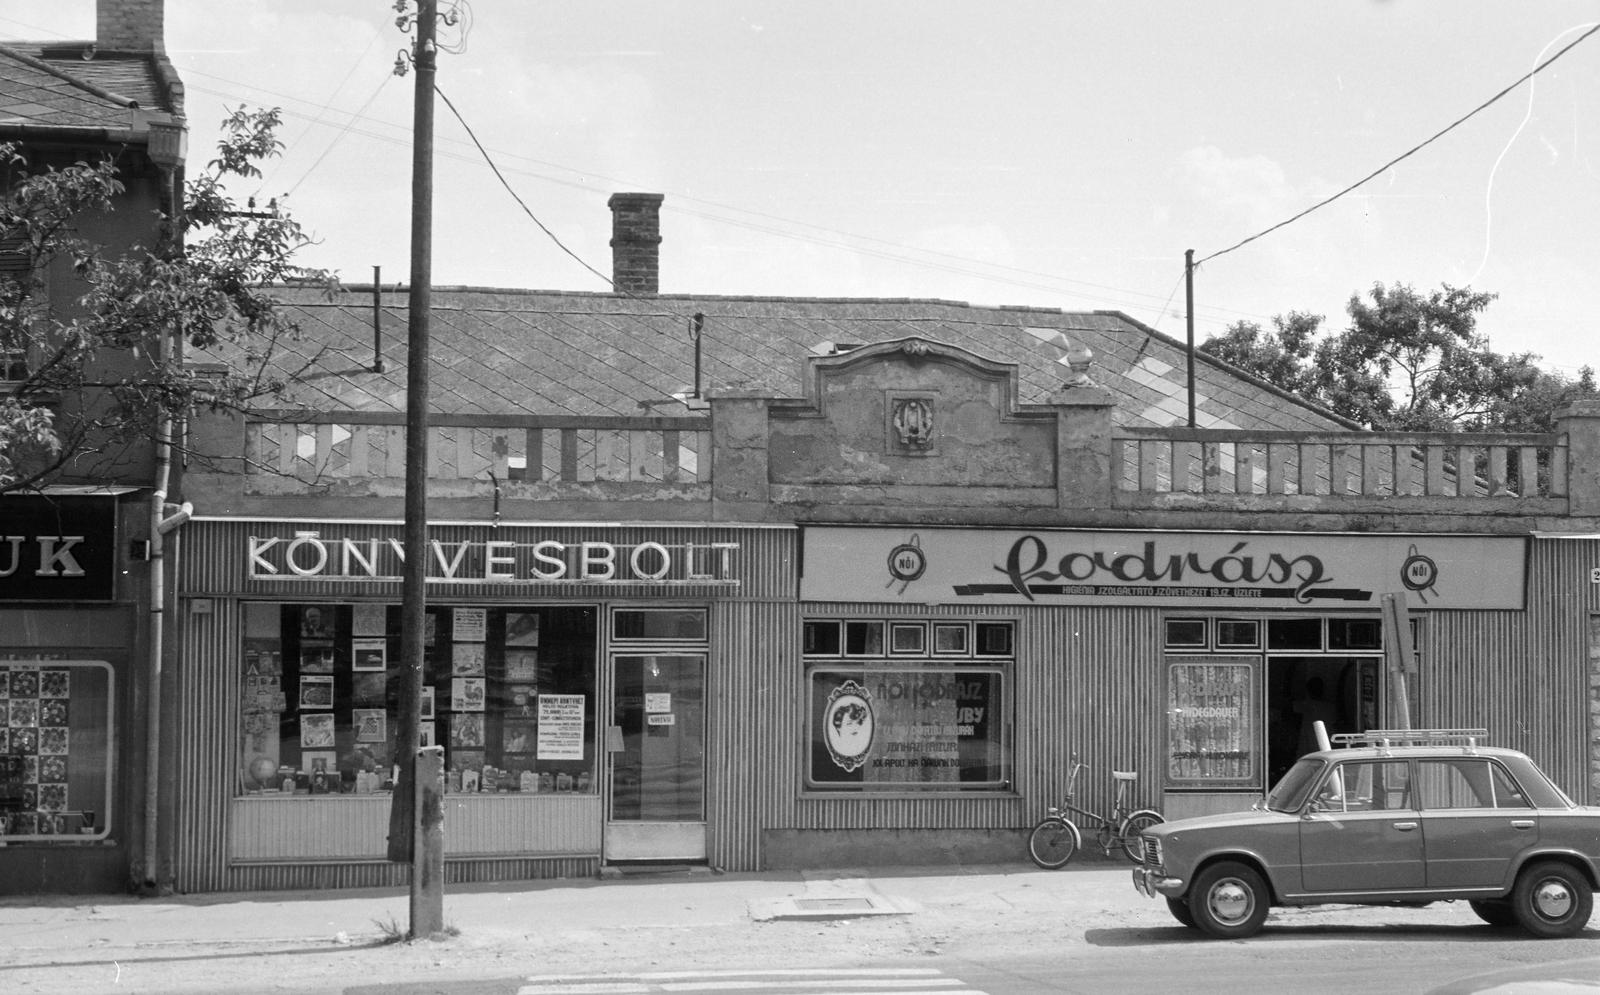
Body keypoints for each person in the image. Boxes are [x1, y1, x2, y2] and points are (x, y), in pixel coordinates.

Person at [1293, 675, 1341, 757]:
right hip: (1326, 743)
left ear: (1308, 691)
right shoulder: (1330, 707)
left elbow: (1289, 707)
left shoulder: (1306, 705)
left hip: (1308, 745)